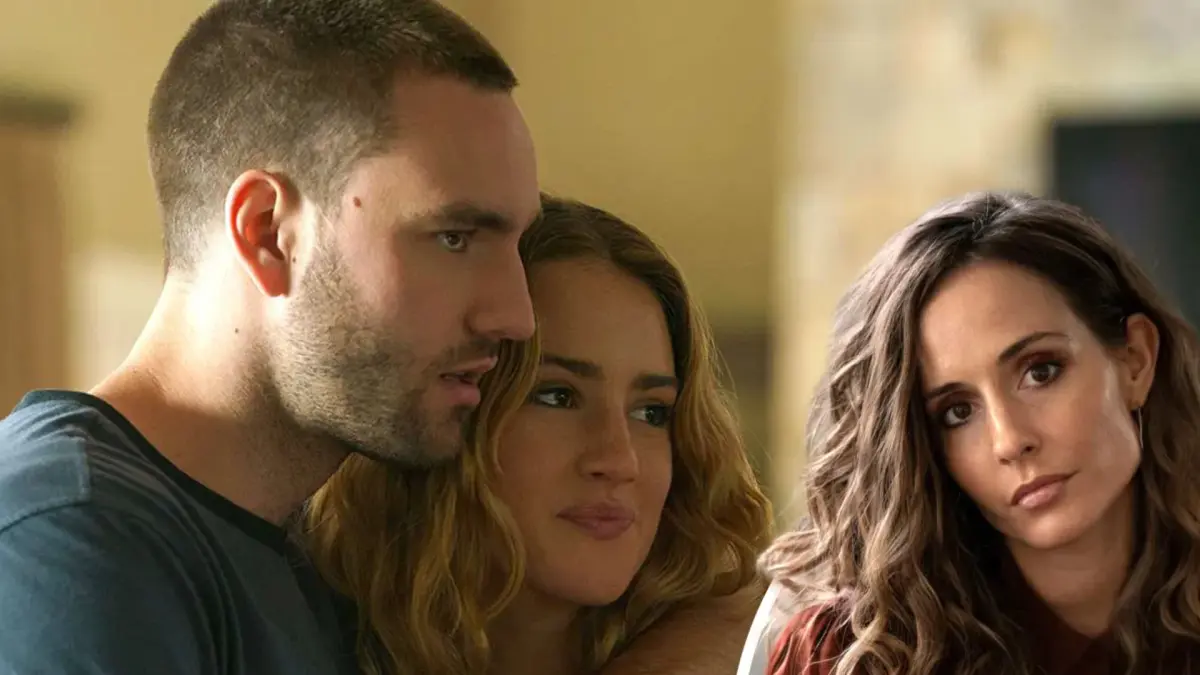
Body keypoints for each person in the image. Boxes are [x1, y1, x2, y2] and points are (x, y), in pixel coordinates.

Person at [0, 1, 540, 672]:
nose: (517, 316)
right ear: (268, 233)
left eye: (517, 246)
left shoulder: (304, 562)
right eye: (453, 238)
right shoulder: (71, 539)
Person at [304, 195, 774, 675]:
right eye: (557, 397)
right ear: (451, 406)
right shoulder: (295, 633)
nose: (619, 459)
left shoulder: (770, 644)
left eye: (650, 412)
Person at [760, 192, 1200, 675]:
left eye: (1040, 372)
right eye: (957, 412)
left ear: (1135, 359)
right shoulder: (847, 655)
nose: (1010, 440)